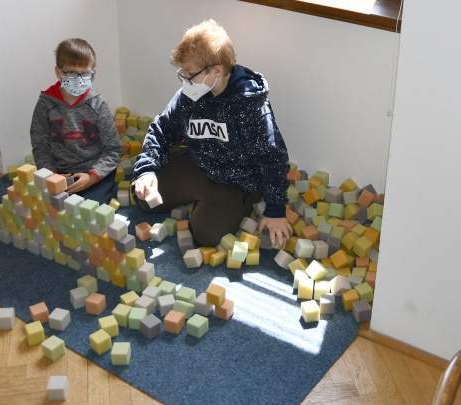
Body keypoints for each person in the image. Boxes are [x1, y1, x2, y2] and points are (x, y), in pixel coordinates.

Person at [132, 20, 292, 247]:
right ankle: (197, 197)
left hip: (236, 179)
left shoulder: (249, 106)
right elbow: (162, 128)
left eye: (190, 74)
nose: (185, 80)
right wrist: (146, 170)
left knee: (206, 235)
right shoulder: (190, 94)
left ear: (216, 71)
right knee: (144, 198)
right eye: (182, 73)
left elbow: (272, 157)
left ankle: (236, 202)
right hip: (199, 163)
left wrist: (276, 211)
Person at [30, 38, 121, 203]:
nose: (78, 79)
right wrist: (51, 175)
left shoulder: (98, 105)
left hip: (93, 172)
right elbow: (40, 145)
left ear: (92, 72)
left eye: (84, 74)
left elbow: (113, 149)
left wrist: (92, 177)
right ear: (59, 72)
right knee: (46, 207)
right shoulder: (46, 104)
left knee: (92, 209)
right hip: (59, 172)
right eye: (71, 73)